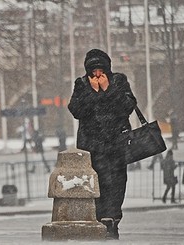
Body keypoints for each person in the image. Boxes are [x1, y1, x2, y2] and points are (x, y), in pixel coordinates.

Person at [68, 49, 137, 239]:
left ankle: (113, 220)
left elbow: (127, 106)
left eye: (101, 70)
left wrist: (108, 90)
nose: (98, 75)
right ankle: (101, 220)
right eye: (94, 71)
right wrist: (94, 93)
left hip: (116, 144)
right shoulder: (81, 84)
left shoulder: (119, 81)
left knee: (117, 182)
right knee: (96, 184)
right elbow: (75, 110)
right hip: (92, 146)